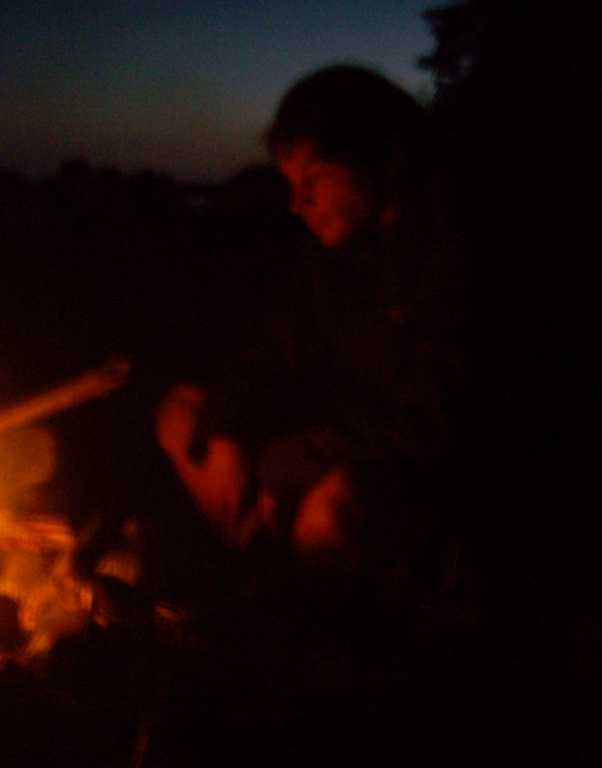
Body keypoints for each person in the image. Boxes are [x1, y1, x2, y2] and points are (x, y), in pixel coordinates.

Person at [157, 65, 464, 579]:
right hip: (329, 432)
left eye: (313, 180)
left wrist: (286, 465)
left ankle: (305, 589)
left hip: (411, 465)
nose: (297, 204)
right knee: (181, 412)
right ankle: (248, 545)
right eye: (290, 184)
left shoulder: (452, 247)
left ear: (378, 155)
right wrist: (226, 430)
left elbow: (436, 418)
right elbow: (270, 345)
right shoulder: (337, 250)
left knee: (337, 503)